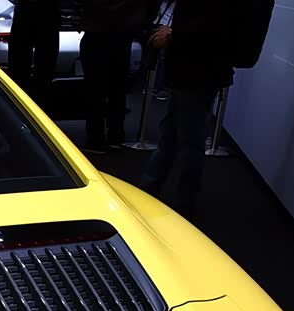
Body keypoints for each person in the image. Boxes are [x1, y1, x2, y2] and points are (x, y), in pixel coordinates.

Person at [139, 0, 235, 219]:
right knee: (174, 135)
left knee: (188, 141)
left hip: (196, 72)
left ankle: (181, 202)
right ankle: (154, 192)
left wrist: (173, 35)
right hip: (194, 72)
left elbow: (210, 27)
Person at [79, 0, 157, 153]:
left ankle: (96, 138)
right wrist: (142, 20)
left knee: (95, 89)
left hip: (97, 28)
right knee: (118, 87)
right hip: (124, 30)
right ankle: (116, 134)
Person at [8, 0, 62, 106]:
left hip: (32, 13)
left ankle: (22, 102)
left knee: (21, 66)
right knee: (43, 68)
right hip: (47, 14)